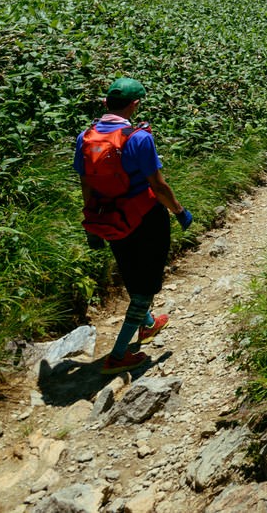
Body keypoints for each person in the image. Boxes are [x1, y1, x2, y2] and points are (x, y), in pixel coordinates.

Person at [76, 77, 193, 375]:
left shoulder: (86, 136)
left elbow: (86, 184)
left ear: (105, 104)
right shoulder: (139, 137)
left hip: (111, 216)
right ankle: (117, 355)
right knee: (147, 284)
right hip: (145, 216)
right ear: (135, 104)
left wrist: (91, 222)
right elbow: (158, 184)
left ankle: (149, 324)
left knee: (130, 269)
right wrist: (179, 211)